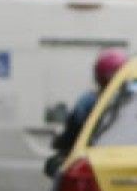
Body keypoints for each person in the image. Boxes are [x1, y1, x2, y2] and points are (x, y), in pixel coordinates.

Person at [45, 48, 129, 176]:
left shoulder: (87, 101)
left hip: (93, 162)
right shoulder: (135, 100)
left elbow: (70, 134)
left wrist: (59, 142)